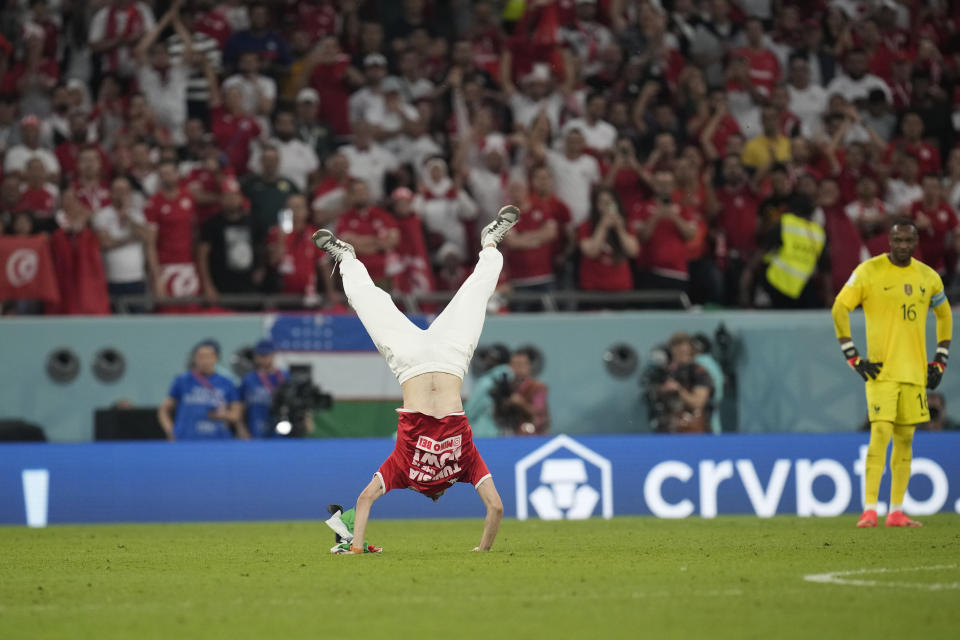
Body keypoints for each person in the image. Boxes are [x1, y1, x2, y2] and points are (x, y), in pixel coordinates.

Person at [311, 204, 520, 554]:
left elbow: (364, 500)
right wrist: (480, 551)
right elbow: (495, 507)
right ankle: (490, 244)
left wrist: (357, 547)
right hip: (451, 360)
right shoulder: (463, 465)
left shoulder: (404, 470)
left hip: (411, 364)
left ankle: (346, 257)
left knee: (368, 301)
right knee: (477, 292)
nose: (436, 495)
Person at [831, 219, 952, 528]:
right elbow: (839, 308)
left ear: (915, 243)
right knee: (880, 432)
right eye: (896, 241)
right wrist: (852, 356)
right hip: (881, 372)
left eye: (907, 241)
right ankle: (869, 509)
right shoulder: (869, 271)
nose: (901, 246)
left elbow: (945, 314)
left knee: (906, 440)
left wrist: (940, 357)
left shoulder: (928, 277)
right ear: (889, 241)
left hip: (914, 373)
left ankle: (895, 511)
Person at [158, 340, 246, 441]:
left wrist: (224, 415)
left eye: (209, 357)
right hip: (186, 439)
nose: (204, 361)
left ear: (216, 358)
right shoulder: (182, 380)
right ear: (194, 359)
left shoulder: (227, 382)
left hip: (217, 439)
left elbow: (236, 415)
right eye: (200, 357)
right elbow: (163, 410)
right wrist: (170, 431)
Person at [238, 339, 295, 438]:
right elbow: (240, 407)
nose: (263, 359)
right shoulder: (248, 379)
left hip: (282, 429)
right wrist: (241, 428)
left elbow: (296, 403)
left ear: (274, 355)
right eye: (260, 356)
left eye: (266, 355)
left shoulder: (284, 377)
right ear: (255, 356)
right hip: (256, 429)